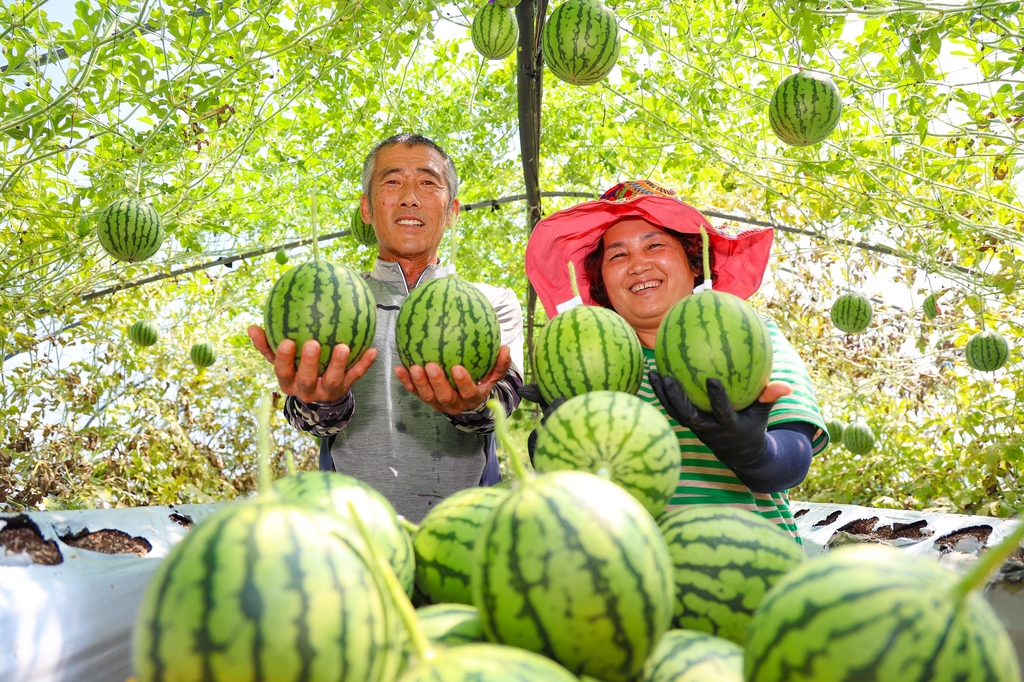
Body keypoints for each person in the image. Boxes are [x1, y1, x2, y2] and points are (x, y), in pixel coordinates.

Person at [523, 180, 827, 539]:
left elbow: (792, 461)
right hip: (630, 579)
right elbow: (567, 495)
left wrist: (755, 452)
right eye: (618, 255)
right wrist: (553, 440)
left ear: (694, 262)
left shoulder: (749, 333)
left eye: (655, 245)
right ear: (601, 281)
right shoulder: (584, 360)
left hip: (751, 574)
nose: (638, 265)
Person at [248, 133, 524, 522]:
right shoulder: (335, 300)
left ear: (453, 210)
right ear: (366, 208)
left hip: (469, 529)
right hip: (354, 531)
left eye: (428, 182)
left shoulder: (491, 301)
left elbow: (504, 400)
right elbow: (305, 417)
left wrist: (473, 405)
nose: (410, 196)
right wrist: (321, 401)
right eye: (392, 181)